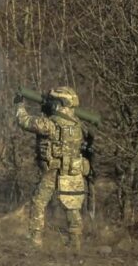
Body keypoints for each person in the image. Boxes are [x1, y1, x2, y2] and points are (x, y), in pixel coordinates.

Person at [15, 86, 89, 249]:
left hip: (53, 170)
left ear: (58, 103)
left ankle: (35, 240)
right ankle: (75, 242)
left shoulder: (49, 124)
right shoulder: (77, 124)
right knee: (72, 204)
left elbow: (24, 121)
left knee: (39, 201)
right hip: (72, 169)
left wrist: (19, 105)